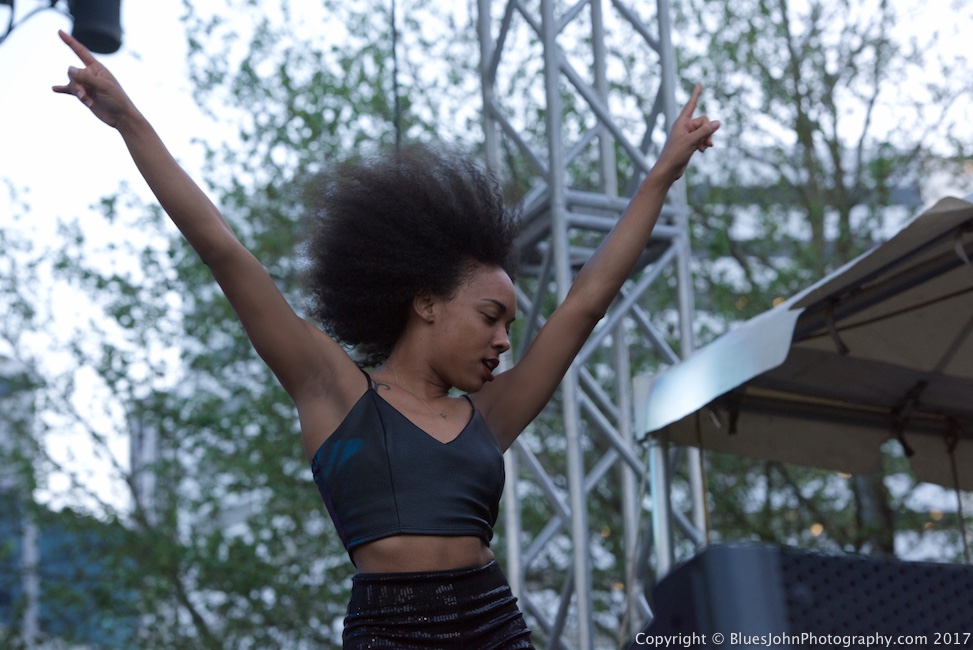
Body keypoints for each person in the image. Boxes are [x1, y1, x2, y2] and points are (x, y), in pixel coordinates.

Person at [54, 28, 719, 649]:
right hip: (387, 632)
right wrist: (130, 122)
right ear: (426, 303)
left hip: (494, 623)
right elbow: (225, 253)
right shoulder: (332, 390)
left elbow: (585, 304)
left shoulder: (488, 417)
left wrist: (660, 176)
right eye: (489, 317)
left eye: (509, 328)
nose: (502, 342)